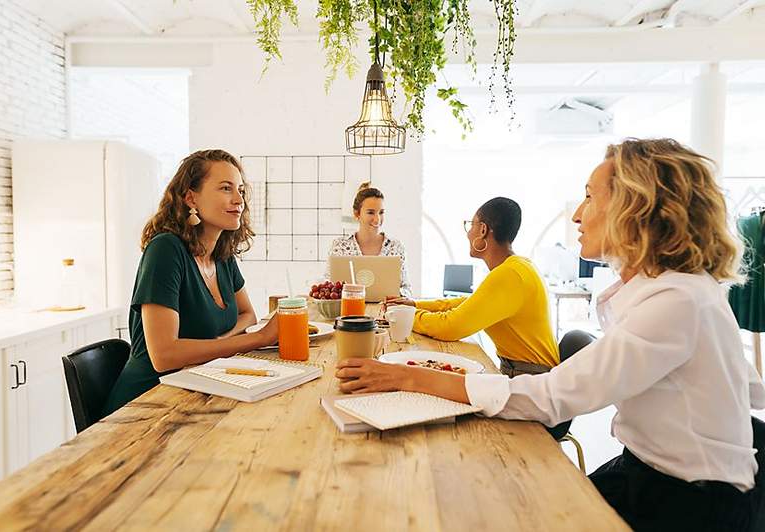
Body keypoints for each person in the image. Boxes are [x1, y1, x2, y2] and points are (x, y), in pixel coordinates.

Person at [337, 138, 765, 530]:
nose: (578, 214)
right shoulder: (677, 293)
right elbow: (745, 387)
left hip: (688, 503)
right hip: (644, 471)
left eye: (589, 196)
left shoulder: (678, 301)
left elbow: (550, 397)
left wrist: (406, 376)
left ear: (636, 208)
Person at [102, 149, 279, 415]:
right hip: (146, 405)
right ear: (190, 197)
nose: (238, 200)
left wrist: (217, 341)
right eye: (225, 188)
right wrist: (260, 339)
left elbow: (248, 315)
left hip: (196, 395)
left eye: (240, 190)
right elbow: (165, 356)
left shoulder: (222, 255)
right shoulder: (165, 250)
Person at [386, 197, 558, 375]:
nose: (468, 233)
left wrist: (407, 316)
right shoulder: (518, 266)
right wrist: (414, 305)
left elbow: (450, 327)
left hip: (531, 378)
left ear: (483, 230)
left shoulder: (509, 274)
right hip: (525, 372)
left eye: (471, 225)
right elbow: (466, 303)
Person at [326, 182, 411, 297]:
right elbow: (328, 287)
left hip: (385, 312)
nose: (377, 219)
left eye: (381, 212)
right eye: (371, 212)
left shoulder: (395, 247)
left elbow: (406, 290)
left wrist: (395, 295)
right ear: (357, 214)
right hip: (348, 312)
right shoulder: (339, 246)